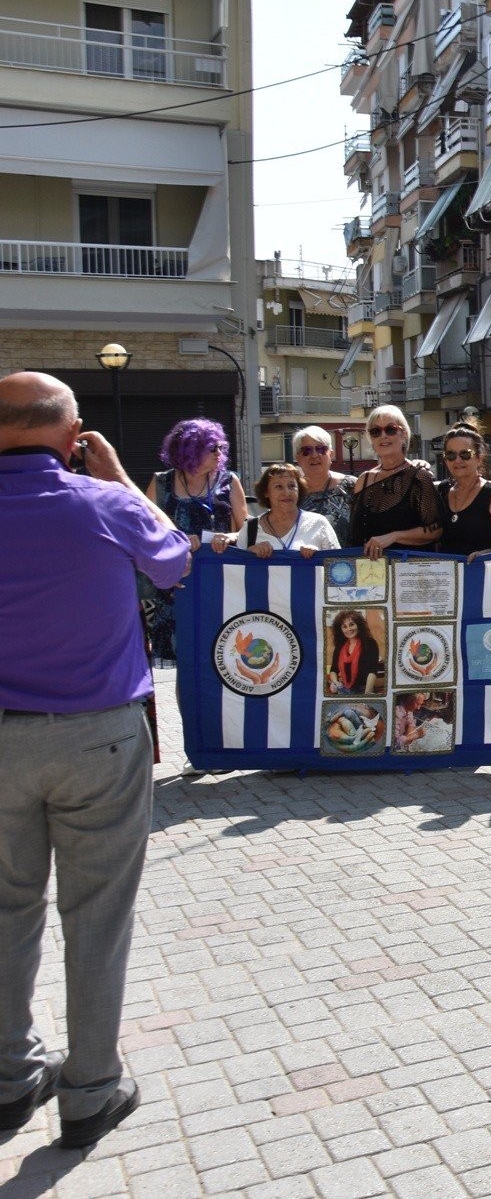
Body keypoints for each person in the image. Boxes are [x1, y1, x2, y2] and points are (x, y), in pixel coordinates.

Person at [0, 371, 189, 1149]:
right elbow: (174, 562)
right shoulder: (104, 501)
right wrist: (118, 479)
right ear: (73, 434)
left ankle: (11, 1075)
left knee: (7, 914)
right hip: (99, 736)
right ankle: (91, 1087)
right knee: (98, 918)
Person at [141, 417, 246, 661]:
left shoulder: (229, 481)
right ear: (191, 449)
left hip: (219, 581)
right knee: (187, 665)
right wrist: (176, 539)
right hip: (177, 585)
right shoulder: (161, 482)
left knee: (223, 656)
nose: (220, 453)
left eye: (222, 447)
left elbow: (247, 529)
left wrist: (229, 536)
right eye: (213, 448)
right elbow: (145, 532)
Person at [348, 405, 442, 557]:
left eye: (390, 429)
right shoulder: (363, 480)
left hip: (407, 572)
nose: (383, 436)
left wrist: (394, 536)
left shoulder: (419, 477)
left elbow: (436, 530)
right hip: (369, 573)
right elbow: (354, 535)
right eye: (375, 431)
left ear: (404, 434)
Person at [220, 464, 339, 557]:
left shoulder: (319, 523)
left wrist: (319, 557)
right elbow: (236, 572)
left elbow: (339, 567)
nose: (287, 493)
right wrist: (249, 554)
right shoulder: (250, 528)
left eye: (292, 486)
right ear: (266, 492)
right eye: (278, 487)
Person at [434, 424, 491, 557]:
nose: (458, 460)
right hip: (447, 574)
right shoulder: (442, 489)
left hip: (479, 572)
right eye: (451, 455)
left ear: (479, 458)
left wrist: (486, 553)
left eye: (465, 454)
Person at [291, 425, 356, 543]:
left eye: (321, 449)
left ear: (331, 454)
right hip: (305, 560)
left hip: (346, 560)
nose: (314, 455)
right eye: (306, 451)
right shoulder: (290, 493)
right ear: (297, 458)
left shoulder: (352, 486)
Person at [326, 611, 383, 696]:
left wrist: (366, 695)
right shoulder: (340, 646)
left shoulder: (369, 643)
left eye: (352, 624)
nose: (349, 629)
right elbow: (334, 670)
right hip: (343, 689)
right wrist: (336, 683)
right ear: (340, 630)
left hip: (364, 690)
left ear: (358, 625)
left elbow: (372, 671)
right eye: (344, 627)